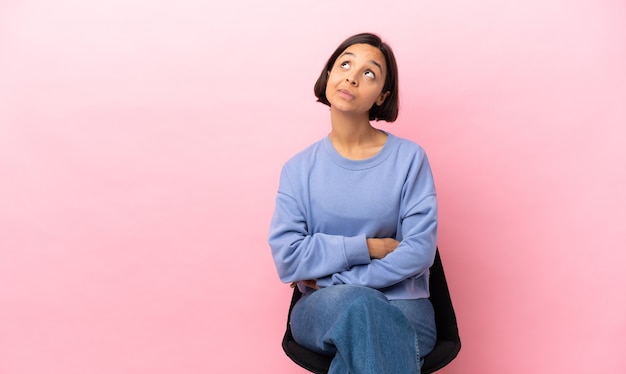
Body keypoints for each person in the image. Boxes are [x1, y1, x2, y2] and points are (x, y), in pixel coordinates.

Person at [268, 32, 438, 373]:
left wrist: (332, 277)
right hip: (323, 309)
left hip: (403, 306)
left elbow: (419, 250)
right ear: (329, 74)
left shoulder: (409, 159)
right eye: (344, 64)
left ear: (382, 96)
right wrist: (368, 247)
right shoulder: (299, 169)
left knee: (364, 327)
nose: (352, 76)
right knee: (362, 311)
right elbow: (288, 258)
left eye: (369, 73)